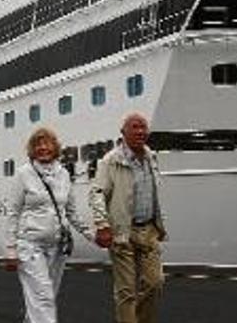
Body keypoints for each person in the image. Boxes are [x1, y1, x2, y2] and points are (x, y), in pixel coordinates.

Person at [4, 128, 92, 323]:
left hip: (57, 246)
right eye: (38, 144)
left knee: (45, 296)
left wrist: (92, 236)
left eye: (47, 143)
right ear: (32, 150)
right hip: (30, 244)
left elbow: (71, 213)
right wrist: (11, 250)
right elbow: (13, 213)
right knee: (42, 297)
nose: (43, 148)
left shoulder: (64, 174)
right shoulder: (23, 174)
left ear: (55, 147)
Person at [89, 113, 167, 323]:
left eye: (143, 127)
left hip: (148, 230)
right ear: (123, 132)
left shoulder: (151, 157)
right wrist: (102, 225)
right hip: (122, 231)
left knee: (155, 283)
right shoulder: (111, 161)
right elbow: (97, 193)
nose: (140, 131)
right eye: (134, 127)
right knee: (126, 291)